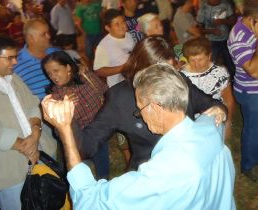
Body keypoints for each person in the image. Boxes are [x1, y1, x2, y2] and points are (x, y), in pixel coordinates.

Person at [42, 63, 236, 210]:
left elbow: (89, 201)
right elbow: (215, 112)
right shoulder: (210, 127)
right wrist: (218, 110)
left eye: (140, 108)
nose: (140, 115)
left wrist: (66, 130)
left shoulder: (160, 175)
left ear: (155, 108)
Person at [63, 36, 227, 170]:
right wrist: (67, 122)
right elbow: (87, 146)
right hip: (149, 176)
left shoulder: (178, 80)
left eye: (171, 69)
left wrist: (219, 109)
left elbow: (212, 103)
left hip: (189, 165)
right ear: (142, 69)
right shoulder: (121, 98)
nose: (168, 77)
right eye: (161, 72)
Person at [0, 35, 57, 210]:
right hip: (8, 165)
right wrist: (26, 148)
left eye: (15, 56)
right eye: (9, 58)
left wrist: (35, 131)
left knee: (45, 202)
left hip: (38, 153)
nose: (16, 62)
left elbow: (33, 104)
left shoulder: (13, 78)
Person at [41, 51, 110, 179]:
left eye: (56, 70)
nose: (53, 76)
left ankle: (104, 183)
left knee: (102, 166)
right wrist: (64, 109)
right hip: (78, 140)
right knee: (82, 174)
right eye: (49, 73)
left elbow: (104, 91)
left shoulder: (85, 76)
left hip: (99, 131)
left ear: (68, 67)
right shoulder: (55, 97)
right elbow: (59, 132)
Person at [181, 36, 235, 140]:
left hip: (216, 120)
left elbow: (229, 100)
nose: (196, 64)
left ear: (209, 56)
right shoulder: (182, 76)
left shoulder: (220, 72)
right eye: (192, 60)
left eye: (200, 59)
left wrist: (228, 123)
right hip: (192, 125)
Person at [227, 0, 258, 182]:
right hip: (251, 91)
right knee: (254, 130)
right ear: (252, 20)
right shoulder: (238, 36)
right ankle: (248, 165)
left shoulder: (251, 25)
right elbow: (253, 71)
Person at [13, 18, 59, 100]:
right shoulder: (16, 65)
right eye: (43, 34)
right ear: (31, 38)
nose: (48, 37)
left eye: (48, 33)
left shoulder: (56, 52)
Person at [93, 9, 135, 88]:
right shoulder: (103, 46)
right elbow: (98, 71)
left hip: (133, 79)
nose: (123, 26)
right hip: (118, 86)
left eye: (123, 22)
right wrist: (123, 68)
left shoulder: (128, 35)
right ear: (108, 28)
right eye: (117, 24)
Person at [196, 0, 236, 76]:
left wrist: (223, 21)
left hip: (227, 40)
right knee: (210, 66)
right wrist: (211, 31)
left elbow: (233, 21)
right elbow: (199, 28)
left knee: (231, 64)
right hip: (211, 42)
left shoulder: (226, 4)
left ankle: (233, 81)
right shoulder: (203, 7)